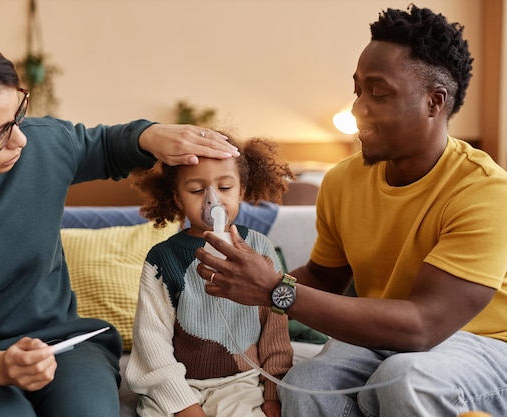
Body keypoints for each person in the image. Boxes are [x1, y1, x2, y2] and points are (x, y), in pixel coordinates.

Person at [0, 31, 239, 417]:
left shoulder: (41, 144)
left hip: (63, 345)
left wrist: (150, 135)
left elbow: (104, 146)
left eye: (18, 114)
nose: (19, 139)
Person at [195, 5, 507, 417]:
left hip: (484, 345)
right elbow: (326, 277)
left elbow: (423, 326)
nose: (359, 107)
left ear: (434, 102)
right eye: (358, 90)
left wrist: (276, 290)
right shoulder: (343, 181)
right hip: (382, 339)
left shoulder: (485, 191)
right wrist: (249, 283)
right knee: (305, 385)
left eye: (378, 93)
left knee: (404, 378)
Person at [125, 137, 295, 417]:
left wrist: (272, 394)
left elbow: (275, 331)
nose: (212, 200)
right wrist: (183, 405)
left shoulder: (260, 248)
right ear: (178, 197)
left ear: (241, 191)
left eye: (225, 187)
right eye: (195, 190)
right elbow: (151, 340)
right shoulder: (162, 259)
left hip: (241, 384)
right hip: (180, 387)